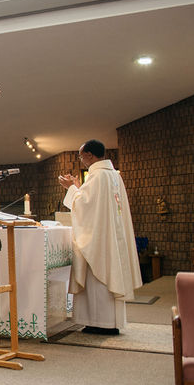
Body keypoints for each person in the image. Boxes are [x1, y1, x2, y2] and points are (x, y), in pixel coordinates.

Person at [58, 139, 143, 334]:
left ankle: (100, 323)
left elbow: (84, 205)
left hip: (100, 241)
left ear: (89, 155)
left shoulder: (98, 177)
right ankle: (108, 322)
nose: (81, 160)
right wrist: (78, 186)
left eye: (81, 156)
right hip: (109, 236)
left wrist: (71, 188)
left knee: (98, 278)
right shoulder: (113, 176)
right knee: (108, 275)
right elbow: (92, 202)